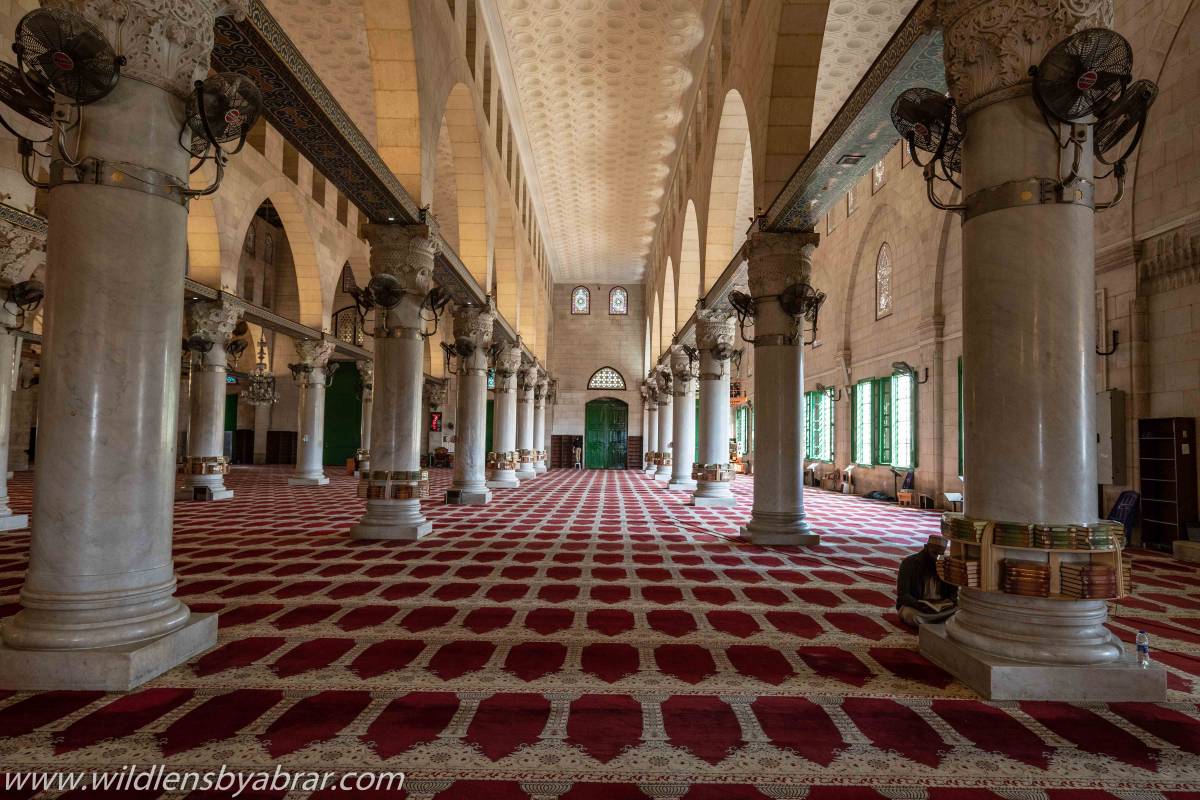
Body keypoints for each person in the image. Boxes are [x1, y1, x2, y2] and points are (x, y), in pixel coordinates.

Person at [896, 533, 958, 627]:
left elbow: (953, 593)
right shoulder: (909, 563)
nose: (936, 557)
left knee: (962, 609)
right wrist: (919, 605)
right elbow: (903, 595)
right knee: (910, 615)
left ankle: (933, 622)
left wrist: (948, 602)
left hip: (940, 608)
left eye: (940, 554)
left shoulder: (945, 564)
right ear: (926, 547)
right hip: (917, 607)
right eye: (934, 553)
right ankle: (940, 622)